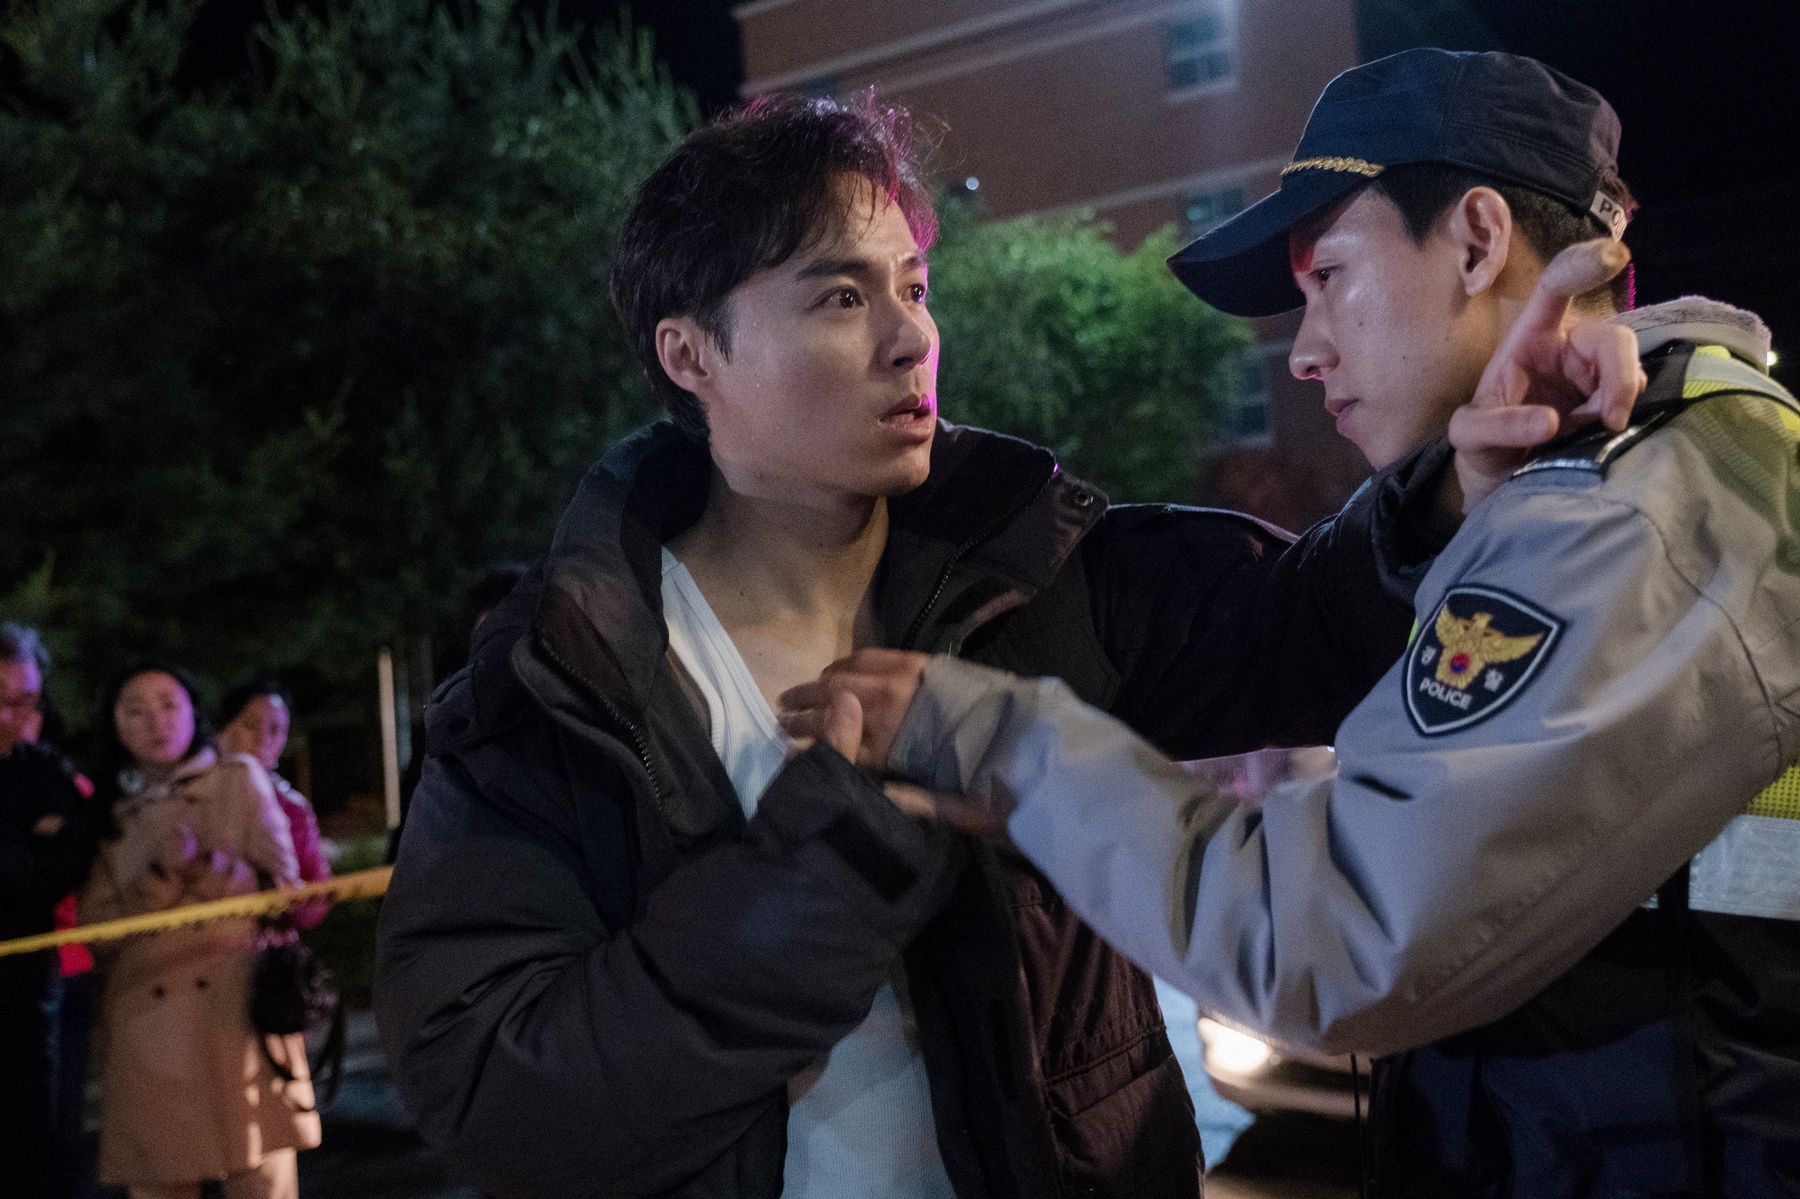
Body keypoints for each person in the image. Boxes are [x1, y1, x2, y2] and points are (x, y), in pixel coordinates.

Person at [373, 91, 1622, 1199]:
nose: (911, 337)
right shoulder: (553, 687)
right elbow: (505, 1094)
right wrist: (854, 842)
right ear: (690, 353)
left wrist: (1459, 495)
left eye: (913, 286)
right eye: (840, 296)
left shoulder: (1045, 579)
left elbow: (1316, 619)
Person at [781, 49, 1800, 1199]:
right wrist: (1452, 506)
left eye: (1331, 278)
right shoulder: (1623, 475)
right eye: (840, 295)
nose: (1305, 351)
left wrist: (999, 737)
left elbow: (1331, 935)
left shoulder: (1639, 509)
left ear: (1476, 241)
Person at [82, 664, 319, 1199]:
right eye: (135, 710)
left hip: (240, 1014)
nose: (156, 722)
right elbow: (95, 928)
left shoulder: (239, 780)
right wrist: (159, 879)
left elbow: (284, 891)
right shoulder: (108, 810)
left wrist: (208, 866)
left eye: (169, 704)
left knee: (263, 1178)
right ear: (115, 724)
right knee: (161, 1181)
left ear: (195, 710)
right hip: (148, 1028)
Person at [0, 622, 98, 1199]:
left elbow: (63, 865)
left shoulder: (44, 772)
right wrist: (23, 845)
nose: (12, 717)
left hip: (29, 1007)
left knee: (37, 1151)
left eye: (27, 701)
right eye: (1, 699)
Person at [218, 680, 331, 928]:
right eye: (251, 725)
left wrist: (288, 908)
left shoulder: (293, 809)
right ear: (223, 730)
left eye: (276, 729)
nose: (262, 739)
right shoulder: (195, 795)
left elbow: (316, 896)